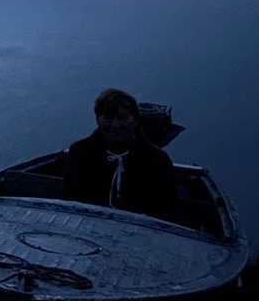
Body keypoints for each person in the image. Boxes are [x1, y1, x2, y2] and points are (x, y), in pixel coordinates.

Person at [63, 88, 177, 221]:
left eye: (123, 118)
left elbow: (165, 210)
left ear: (135, 120)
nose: (115, 125)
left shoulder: (157, 160)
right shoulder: (80, 152)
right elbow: (71, 200)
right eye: (108, 118)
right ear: (98, 120)